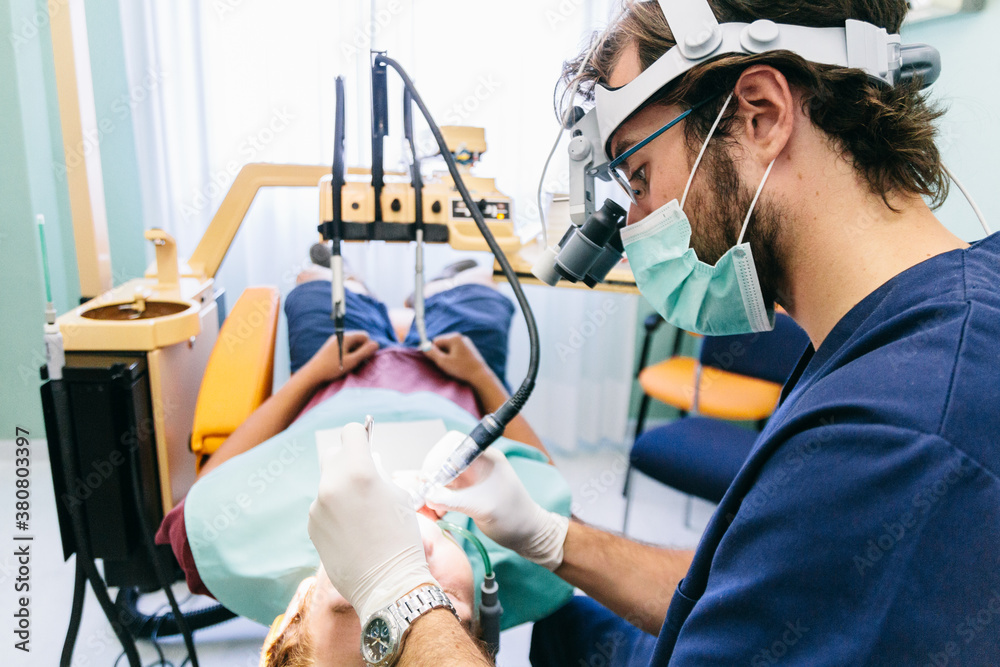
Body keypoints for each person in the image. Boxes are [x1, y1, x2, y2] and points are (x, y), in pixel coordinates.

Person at [304, 1, 1000, 665]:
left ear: (760, 115)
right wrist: (553, 538)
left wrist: (400, 593)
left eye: (638, 174)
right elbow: (759, 598)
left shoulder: (899, 437)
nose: (633, 226)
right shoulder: (895, 335)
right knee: (564, 625)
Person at [154, 264, 574, 666]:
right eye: (445, 607)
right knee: (478, 293)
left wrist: (313, 373)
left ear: (297, 611)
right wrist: (480, 374)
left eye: (350, 603)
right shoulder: (534, 558)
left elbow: (209, 482)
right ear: (483, 632)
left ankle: (355, 286)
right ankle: (441, 290)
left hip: (341, 373)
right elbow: (547, 474)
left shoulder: (240, 545)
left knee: (319, 286)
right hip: (449, 375)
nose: (414, 564)